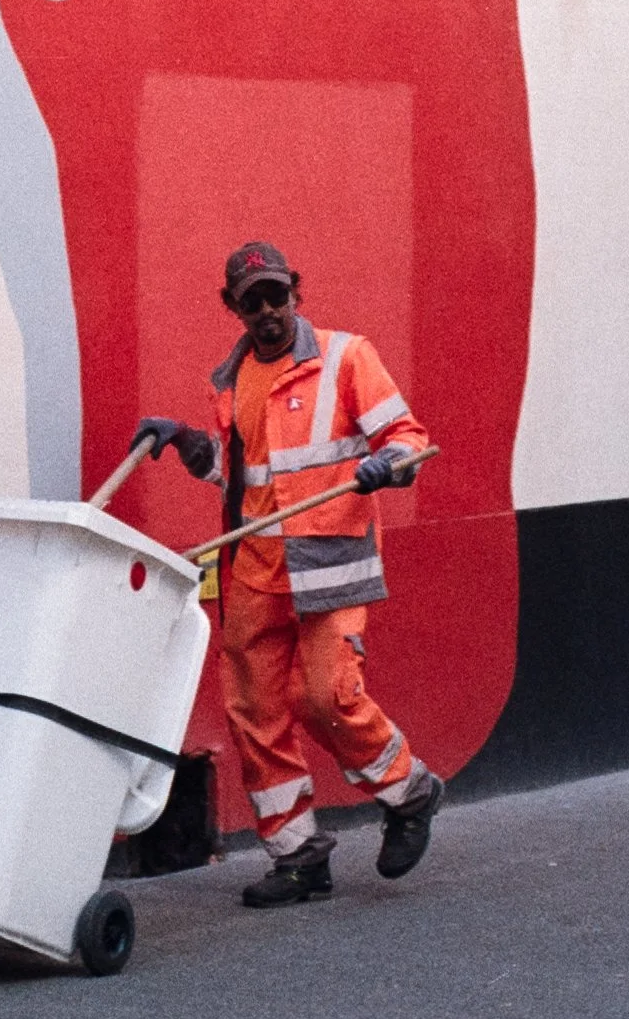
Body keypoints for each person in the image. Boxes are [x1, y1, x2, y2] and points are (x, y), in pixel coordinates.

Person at [133, 240, 442, 907]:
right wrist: (187, 442)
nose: (268, 310)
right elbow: (242, 480)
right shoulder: (233, 379)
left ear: (296, 291)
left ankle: (410, 791)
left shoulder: (345, 357)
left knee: (328, 698)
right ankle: (298, 853)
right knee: (256, 713)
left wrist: (387, 464)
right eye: (253, 302)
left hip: (327, 566)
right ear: (234, 308)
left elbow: (409, 439)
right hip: (252, 574)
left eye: (277, 295)